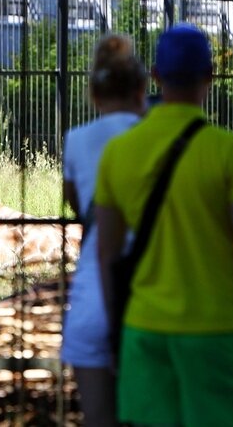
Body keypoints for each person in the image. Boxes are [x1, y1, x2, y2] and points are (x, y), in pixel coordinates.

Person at [95, 24, 233, 426]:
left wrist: (116, 333)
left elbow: (108, 254)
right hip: (221, 331)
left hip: (144, 331)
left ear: (156, 78)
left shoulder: (117, 154)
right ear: (210, 77)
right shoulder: (228, 151)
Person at [60, 34, 147, 427]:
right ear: (141, 90)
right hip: (146, 297)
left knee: (98, 418)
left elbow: (80, 208)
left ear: (93, 92)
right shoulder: (156, 138)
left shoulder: (76, 140)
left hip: (90, 296)